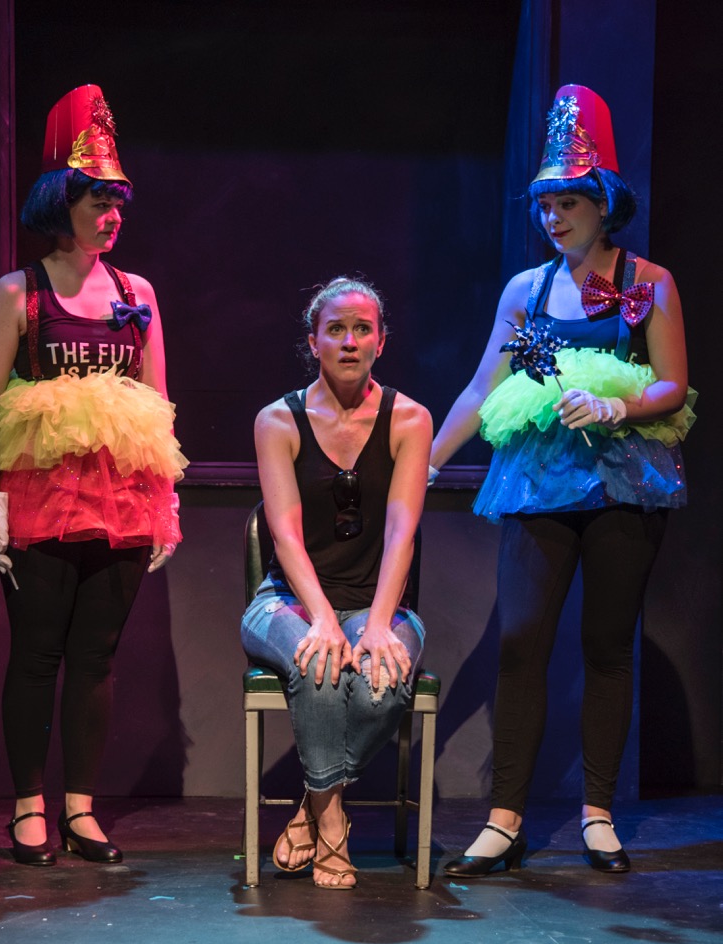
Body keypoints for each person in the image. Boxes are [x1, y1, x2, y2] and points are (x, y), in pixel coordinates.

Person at [430, 84, 694, 875]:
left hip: (623, 483)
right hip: (541, 481)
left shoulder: (649, 281)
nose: (554, 218)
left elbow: (673, 385)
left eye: (569, 203)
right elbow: (483, 389)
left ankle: (598, 813)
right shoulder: (527, 291)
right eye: (546, 205)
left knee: (608, 645)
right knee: (519, 642)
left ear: (603, 203)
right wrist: (426, 462)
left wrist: (617, 405)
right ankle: (504, 819)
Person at [0, 84, 187, 866]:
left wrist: (165, 506)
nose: (112, 213)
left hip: (121, 501)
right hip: (38, 499)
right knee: (37, 652)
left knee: (96, 655)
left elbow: (157, 405)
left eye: (117, 199)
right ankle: (28, 805)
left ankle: (81, 809)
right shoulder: (18, 293)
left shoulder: (138, 295)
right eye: (98, 199)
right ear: (63, 202)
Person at [241, 277, 432, 888]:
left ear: (381, 340)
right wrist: (321, 618)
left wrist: (379, 623)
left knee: (382, 679)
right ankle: (331, 832)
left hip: (375, 602)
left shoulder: (410, 418)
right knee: (319, 666)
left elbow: (403, 532)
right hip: (287, 600)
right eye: (336, 330)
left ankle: (312, 805)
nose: (350, 341)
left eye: (363, 329)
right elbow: (286, 534)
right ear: (314, 341)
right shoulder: (278, 419)